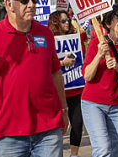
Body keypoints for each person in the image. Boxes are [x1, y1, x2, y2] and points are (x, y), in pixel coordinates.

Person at [0, 0, 68, 156]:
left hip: (48, 129)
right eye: (25, 0)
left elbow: (55, 73)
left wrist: (64, 109)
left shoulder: (45, 33)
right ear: (9, 4)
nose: (31, 4)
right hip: (7, 134)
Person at [81, 4, 118, 157]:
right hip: (94, 104)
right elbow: (87, 76)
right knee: (103, 149)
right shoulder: (97, 42)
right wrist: (98, 55)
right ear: (109, 23)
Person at [48, 10, 84, 157]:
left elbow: (83, 33)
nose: (67, 22)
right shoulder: (49, 39)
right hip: (57, 90)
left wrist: (74, 19)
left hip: (76, 89)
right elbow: (46, 64)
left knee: (77, 123)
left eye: (68, 19)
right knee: (59, 126)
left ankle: (74, 155)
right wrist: (63, 62)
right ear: (55, 23)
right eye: (63, 21)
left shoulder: (76, 37)